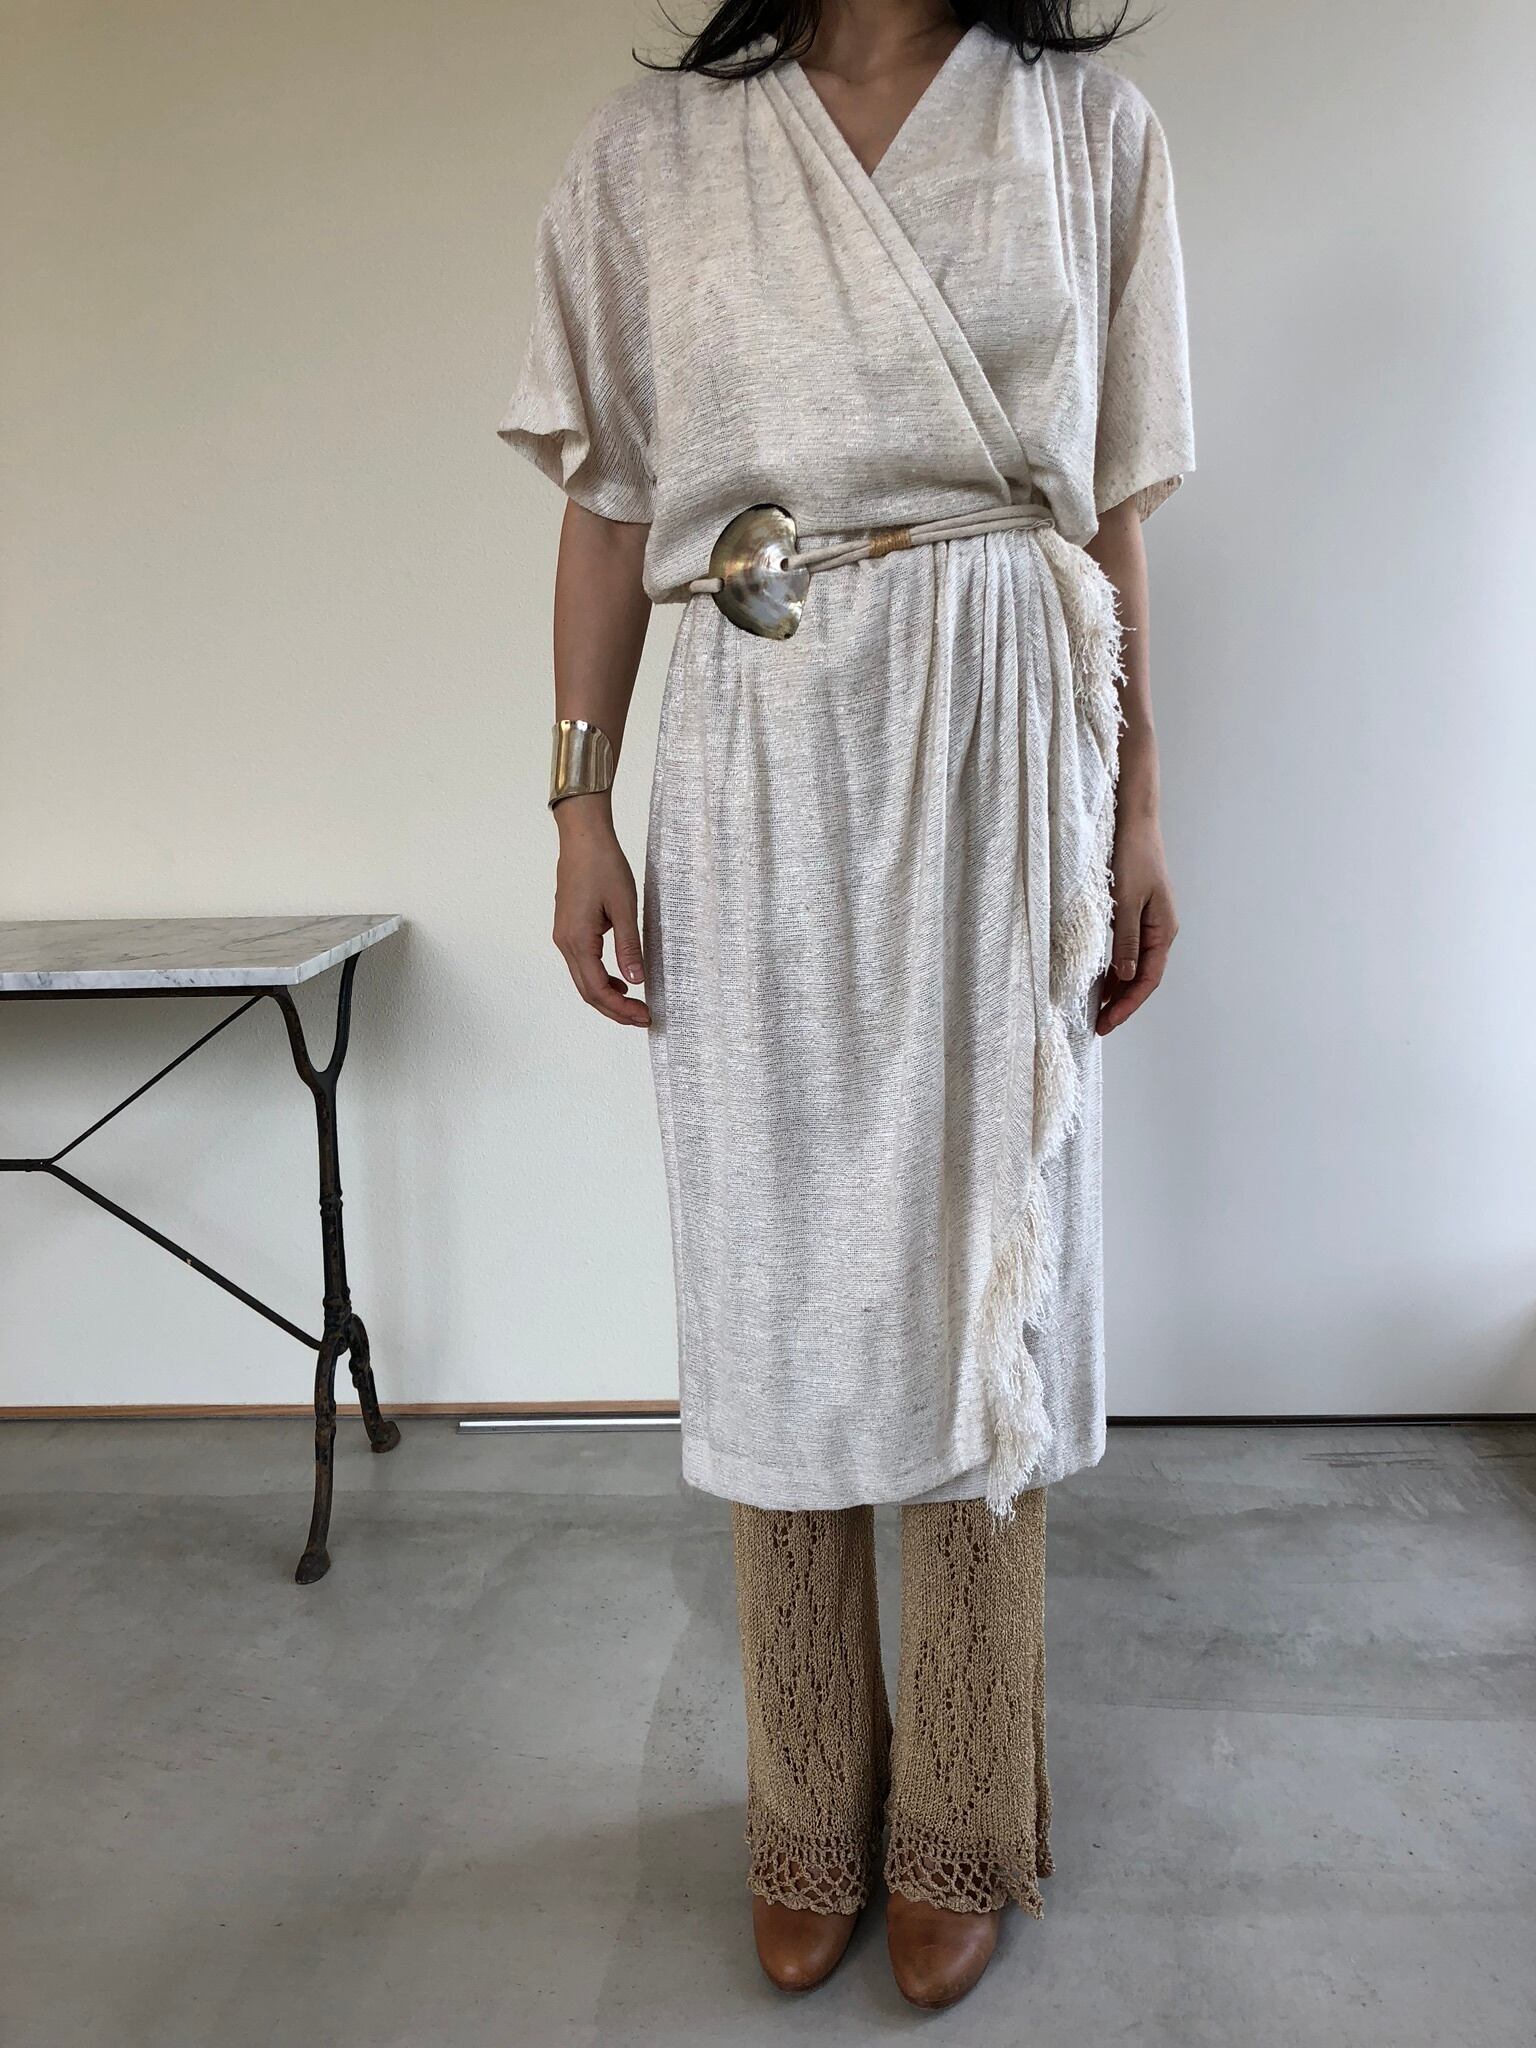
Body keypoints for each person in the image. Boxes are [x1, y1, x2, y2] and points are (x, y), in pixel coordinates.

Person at [499, 0, 1193, 2010]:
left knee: (989, 1249)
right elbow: (610, 506)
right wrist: (577, 801)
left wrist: (1139, 802)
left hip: (1005, 728)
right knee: (776, 1260)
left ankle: (967, 1801)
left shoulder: (1089, 131)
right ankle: (810, 1789)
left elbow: (1113, 505)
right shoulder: (653, 157)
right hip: (761, 743)